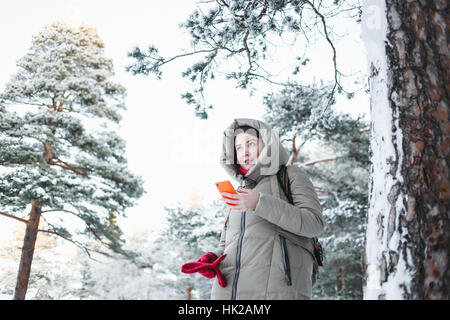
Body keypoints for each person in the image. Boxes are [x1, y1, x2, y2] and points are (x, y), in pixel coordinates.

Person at [184, 118, 324, 300]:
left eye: (250, 144)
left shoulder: (290, 175)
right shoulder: (239, 193)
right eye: (239, 148)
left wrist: (260, 203)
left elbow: (314, 223)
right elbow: (229, 243)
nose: (245, 153)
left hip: (277, 292)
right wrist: (213, 257)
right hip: (229, 292)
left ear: (267, 144)